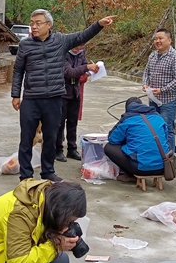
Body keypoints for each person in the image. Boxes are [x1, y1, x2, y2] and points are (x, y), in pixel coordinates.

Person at [11, 9, 116, 182]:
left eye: (38, 23)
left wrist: (99, 24)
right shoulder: (25, 45)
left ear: (48, 25)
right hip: (31, 98)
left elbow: (82, 36)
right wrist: (16, 94)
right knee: (27, 138)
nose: (34, 26)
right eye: (32, 23)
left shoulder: (60, 41)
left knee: (51, 137)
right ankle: (26, 175)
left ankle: (47, 172)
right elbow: (18, 70)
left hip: (53, 98)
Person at [105, 97, 169, 183]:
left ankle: (130, 175)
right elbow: (166, 137)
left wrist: (121, 122)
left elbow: (113, 139)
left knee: (109, 147)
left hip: (140, 168)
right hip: (163, 167)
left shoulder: (128, 119)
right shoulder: (158, 117)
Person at [142, 28, 176, 155]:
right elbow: (146, 72)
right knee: (154, 127)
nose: (157, 41)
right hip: (153, 99)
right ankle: (157, 153)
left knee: (167, 128)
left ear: (169, 40)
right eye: (155, 39)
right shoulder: (152, 55)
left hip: (168, 101)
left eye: (160, 38)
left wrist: (162, 90)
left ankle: (168, 158)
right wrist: (145, 84)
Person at [55, 44, 98, 163]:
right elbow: (69, 72)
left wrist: (89, 71)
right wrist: (86, 67)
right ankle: (57, 149)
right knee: (59, 122)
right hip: (62, 92)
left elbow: (83, 67)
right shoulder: (62, 52)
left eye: (81, 48)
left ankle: (72, 148)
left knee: (73, 122)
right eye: (76, 48)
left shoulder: (81, 53)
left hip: (75, 91)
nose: (78, 50)